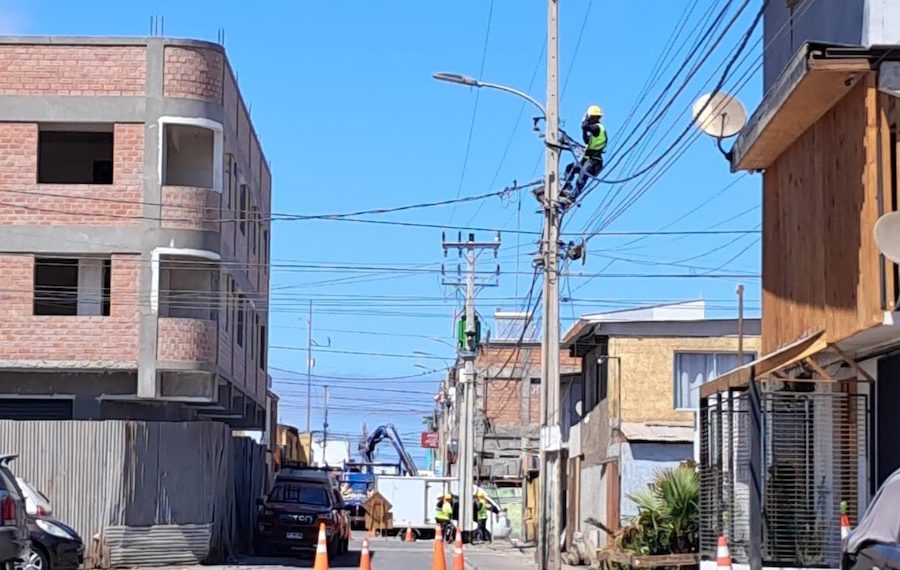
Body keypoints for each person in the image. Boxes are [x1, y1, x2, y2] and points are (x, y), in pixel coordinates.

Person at [559, 104, 607, 209]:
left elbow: (585, 126)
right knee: (570, 168)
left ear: (592, 117)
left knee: (581, 179)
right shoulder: (593, 130)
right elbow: (586, 139)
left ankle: (571, 198)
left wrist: (584, 121)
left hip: (594, 162)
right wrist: (584, 129)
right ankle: (566, 188)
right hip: (588, 160)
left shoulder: (597, 128)